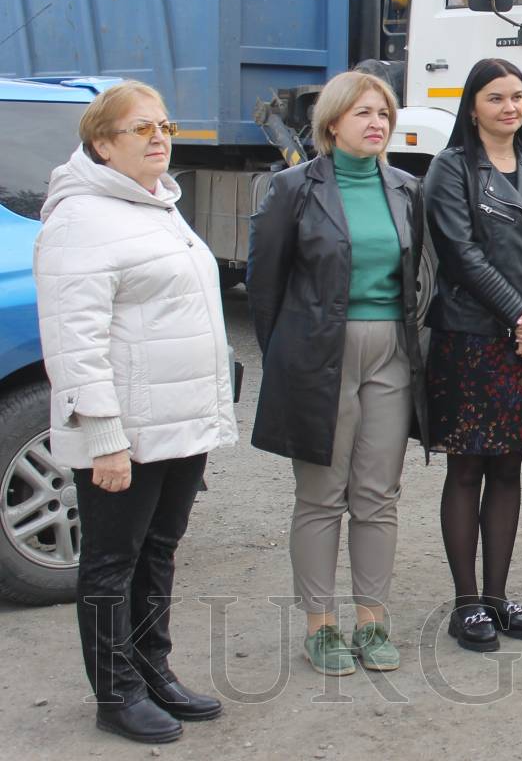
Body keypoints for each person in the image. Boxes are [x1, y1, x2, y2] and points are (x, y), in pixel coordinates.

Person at [34, 81, 236, 744]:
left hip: (176, 424)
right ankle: (116, 693)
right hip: (124, 432)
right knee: (111, 562)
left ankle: (153, 670)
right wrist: (104, 438)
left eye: (164, 126)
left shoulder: (155, 203)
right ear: (102, 143)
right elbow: (75, 344)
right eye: (140, 128)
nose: (158, 138)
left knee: (158, 552)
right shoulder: (81, 220)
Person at [247, 70, 426, 675]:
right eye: (363, 113)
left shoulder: (405, 188)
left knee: (377, 494)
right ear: (331, 123)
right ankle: (320, 627)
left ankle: (372, 622)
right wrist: (288, 359)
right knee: (322, 495)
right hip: (318, 354)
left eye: (384, 114)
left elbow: (418, 276)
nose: (377, 123)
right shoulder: (293, 188)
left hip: (390, 352)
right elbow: (264, 287)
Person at [424, 59, 522, 648]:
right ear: (472, 107)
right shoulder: (451, 168)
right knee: (467, 468)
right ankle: (467, 605)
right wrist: (521, 316)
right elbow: (461, 255)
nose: (510, 108)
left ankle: (496, 596)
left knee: (509, 468)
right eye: (496, 98)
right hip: (470, 339)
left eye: (517, 97)